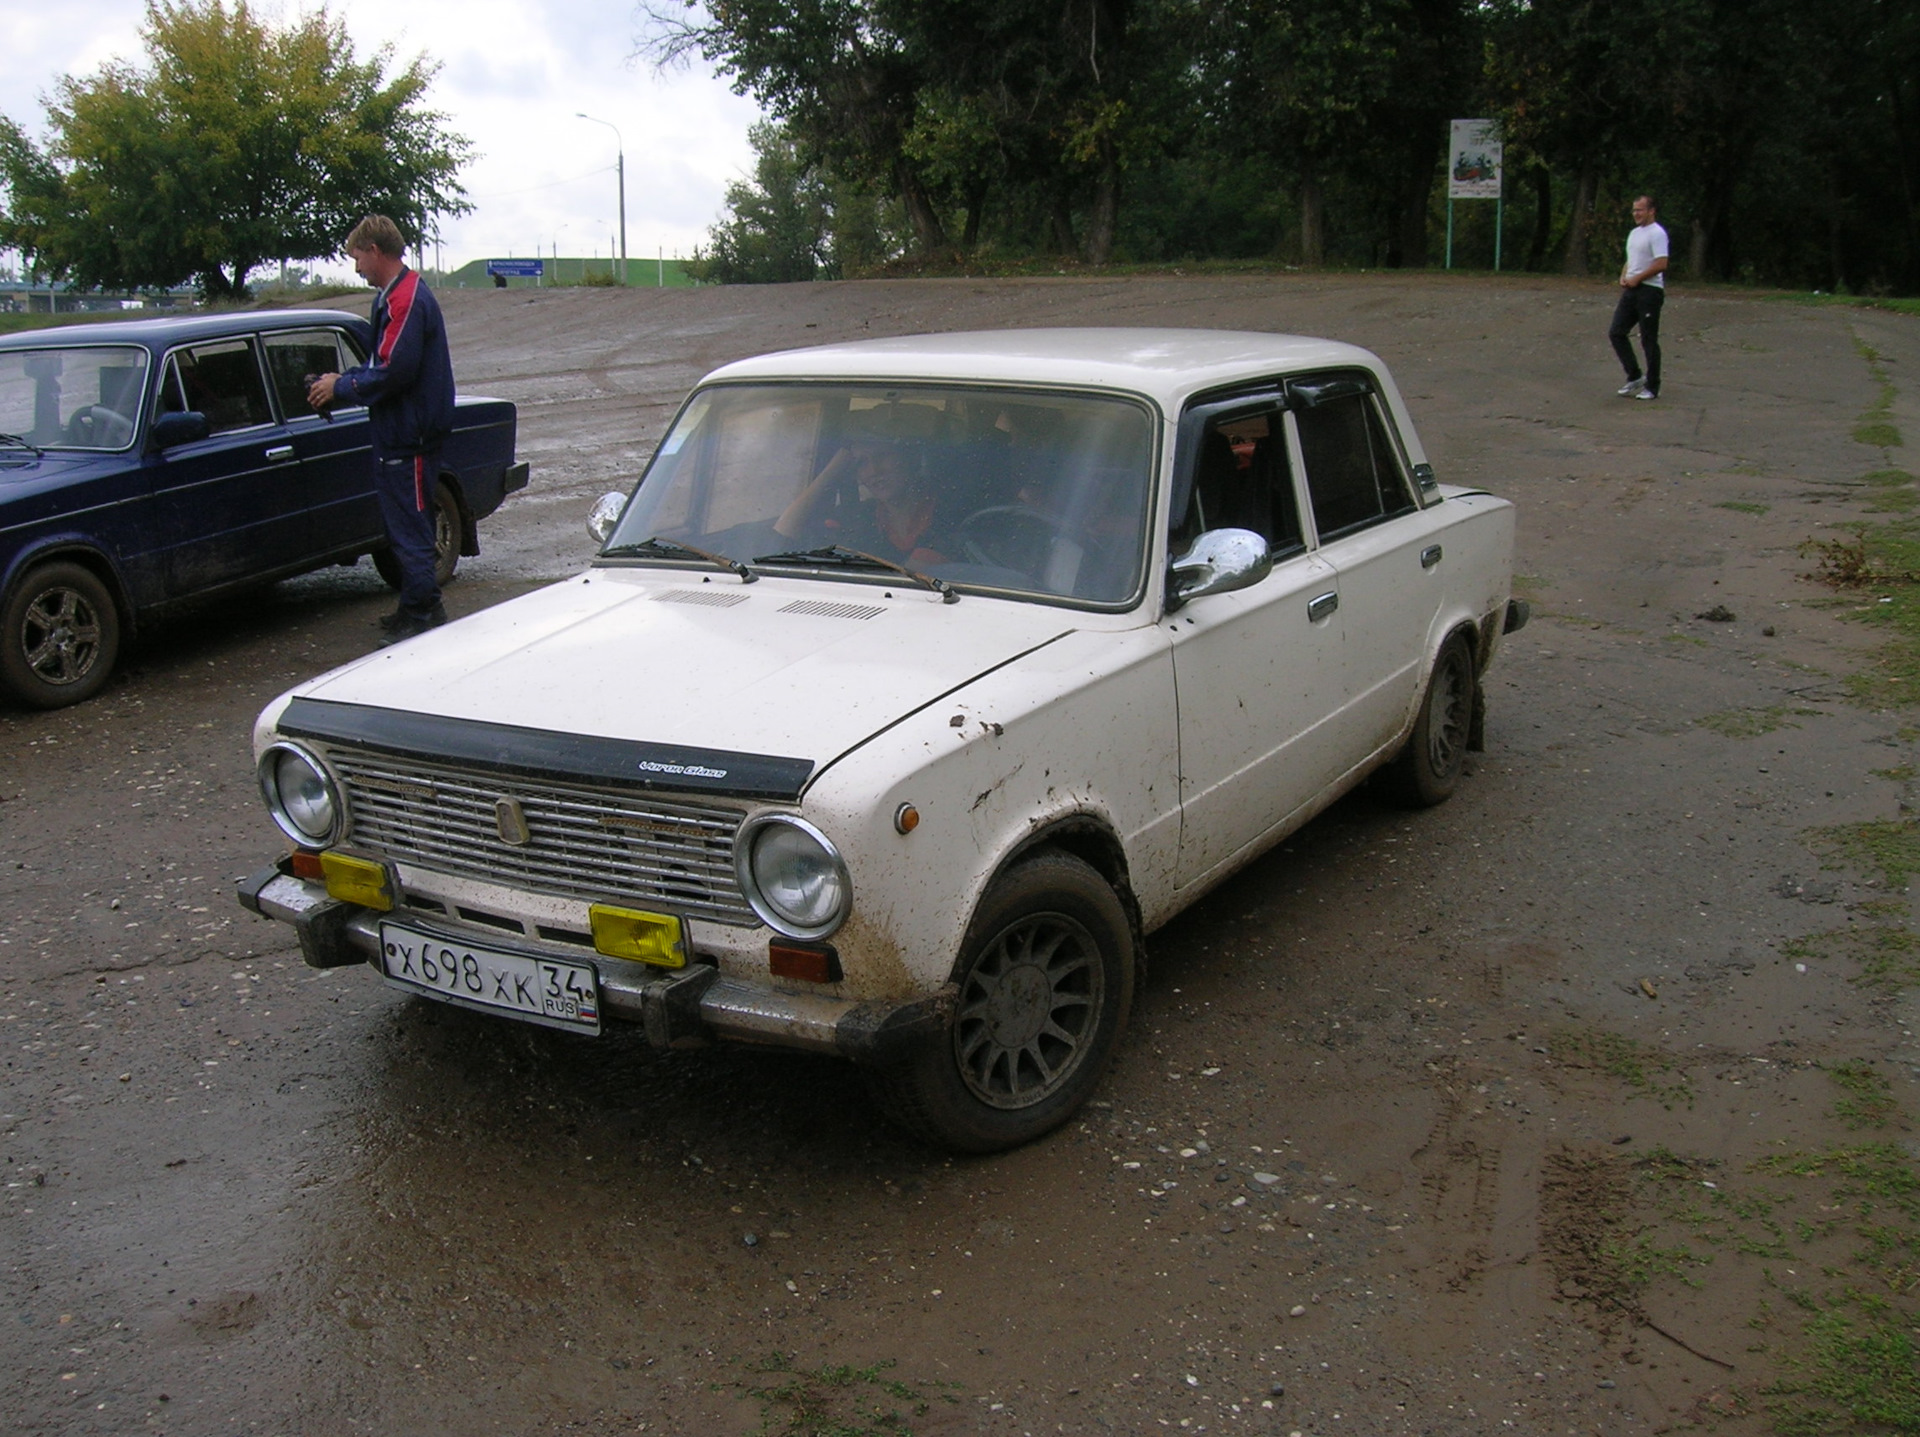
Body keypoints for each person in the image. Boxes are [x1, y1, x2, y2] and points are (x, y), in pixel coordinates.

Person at [307, 215, 456, 643]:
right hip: (403, 430)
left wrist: (342, 386)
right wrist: (343, 381)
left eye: (357, 257)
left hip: (409, 434)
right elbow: (383, 364)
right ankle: (415, 605)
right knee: (405, 523)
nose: (356, 268)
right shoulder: (395, 297)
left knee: (410, 526)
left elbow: (394, 371)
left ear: (375, 250)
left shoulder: (405, 300)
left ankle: (425, 613)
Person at [1609, 194, 1669, 401]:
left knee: (1648, 338)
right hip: (1632, 290)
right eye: (1634, 210)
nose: (1636, 214)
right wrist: (1624, 275)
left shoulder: (1657, 233)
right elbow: (1630, 259)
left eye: (1640, 210)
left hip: (1649, 291)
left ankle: (1653, 386)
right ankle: (1634, 375)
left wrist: (1639, 278)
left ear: (1651, 211)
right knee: (1616, 332)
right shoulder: (1634, 233)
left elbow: (1661, 263)